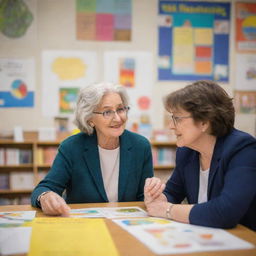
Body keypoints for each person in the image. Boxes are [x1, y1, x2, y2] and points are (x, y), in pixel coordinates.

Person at [144, 80, 256, 231]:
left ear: (204, 122)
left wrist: (167, 209)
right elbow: (172, 192)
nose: (171, 125)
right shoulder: (187, 152)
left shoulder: (242, 149)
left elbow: (226, 212)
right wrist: (157, 198)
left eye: (177, 118)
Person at [31, 82, 153, 216]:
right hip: (85, 227)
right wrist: (45, 196)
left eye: (120, 109)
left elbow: (144, 197)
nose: (118, 118)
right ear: (90, 119)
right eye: (107, 112)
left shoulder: (140, 146)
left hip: (126, 223)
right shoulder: (71, 147)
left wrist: (154, 194)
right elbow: (44, 188)